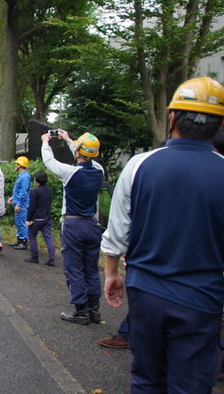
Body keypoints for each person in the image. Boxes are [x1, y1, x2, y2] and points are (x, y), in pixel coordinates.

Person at [101, 76, 224, 393]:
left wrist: (112, 273)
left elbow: (117, 231)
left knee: (145, 378)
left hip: (145, 292)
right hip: (202, 298)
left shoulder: (140, 165)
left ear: (172, 117)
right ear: (220, 124)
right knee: (190, 384)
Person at [42, 129, 104, 325]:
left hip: (72, 224)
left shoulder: (70, 174)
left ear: (78, 152)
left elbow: (49, 162)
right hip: (93, 225)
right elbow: (87, 158)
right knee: (91, 269)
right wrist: (70, 141)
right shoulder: (99, 171)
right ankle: (95, 311)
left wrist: (46, 142)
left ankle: (80, 311)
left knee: (74, 269)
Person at [23, 171, 56, 266]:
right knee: (48, 238)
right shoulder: (49, 190)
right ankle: (52, 258)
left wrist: (28, 219)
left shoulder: (35, 191)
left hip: (36, 219)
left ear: (36, 180)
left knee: (32, 236)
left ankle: (34, 256)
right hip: (47, 217)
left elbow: (32, 207)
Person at [7, 156, 30, 250]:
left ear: (19, 165)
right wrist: (13, 198)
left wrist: (19, 204)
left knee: (22, 223)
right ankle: (19, 240)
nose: (16, 165)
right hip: (18, 202)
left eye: (17, 164)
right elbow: (19, 190)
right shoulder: (22, 176)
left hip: (22, 205)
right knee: (18, 222)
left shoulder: (25, 177)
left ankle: (23, 241)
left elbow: (23, 192)